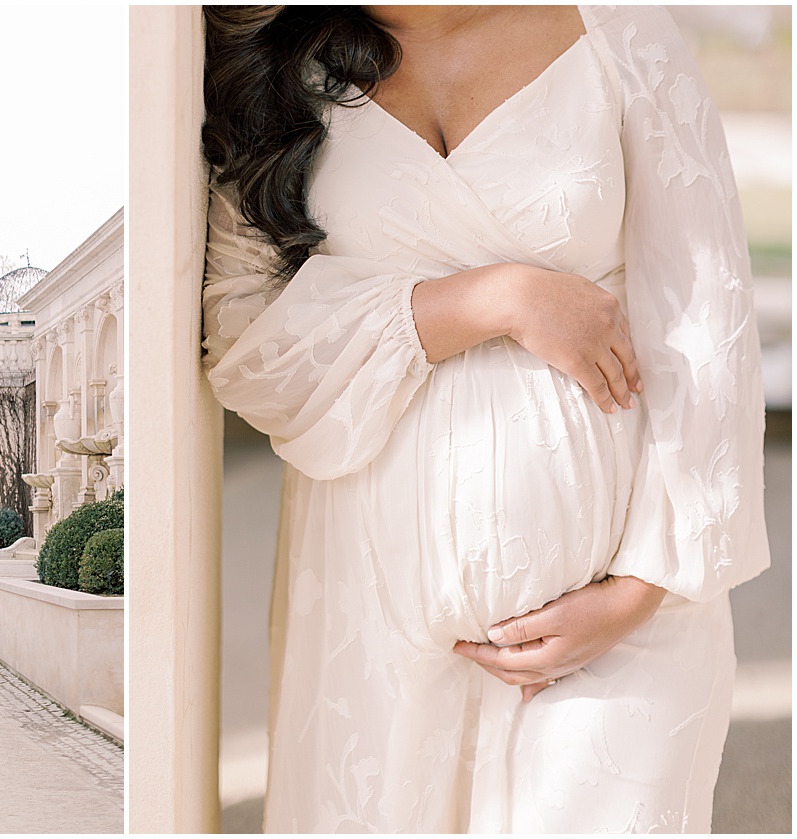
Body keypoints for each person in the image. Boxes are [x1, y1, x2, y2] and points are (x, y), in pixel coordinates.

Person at [200, 6, 768, 832]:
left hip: (625, 619)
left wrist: (642, 589)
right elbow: (244, 340)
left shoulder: (618, 32)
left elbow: (706, 318)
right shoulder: (283, 66)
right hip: (374, 627)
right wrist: (495, 299)